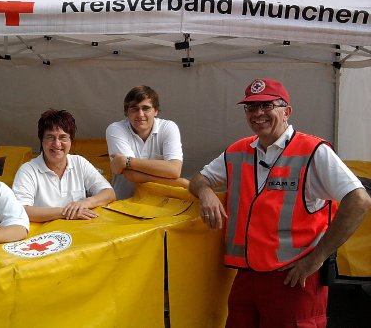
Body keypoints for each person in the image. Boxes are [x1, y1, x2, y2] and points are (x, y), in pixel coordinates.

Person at [188, 78, 371, 327]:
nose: (258, 113)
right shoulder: (238, 150)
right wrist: (206, 193)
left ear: (286, 111)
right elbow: (198, 179)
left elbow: (359, 200)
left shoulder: (313, 151)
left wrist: (317, 258)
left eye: (267, 105)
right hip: (247, 275)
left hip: (295, 277)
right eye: (251, 107)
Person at [12, 109, 116, 222]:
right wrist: (66, 212)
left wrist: (85, 202)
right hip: (45, 235)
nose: (57, 144)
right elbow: (21, 210)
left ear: (71, 141)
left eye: (63, 137)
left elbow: (109, 193)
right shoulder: (28, 170)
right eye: (50, 137)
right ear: (41, 140)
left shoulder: (79, 163)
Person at [106, 85, 186, 199]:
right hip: (124, 203)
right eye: (134, 108)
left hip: (163, 203)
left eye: (146, 108)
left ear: (156, 111)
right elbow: (130, 175)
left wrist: (127, 161)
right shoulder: (115, 129)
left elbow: (174, 170)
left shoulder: (169, 127)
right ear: (126, 112)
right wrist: (180, 183)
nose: (140, 114)